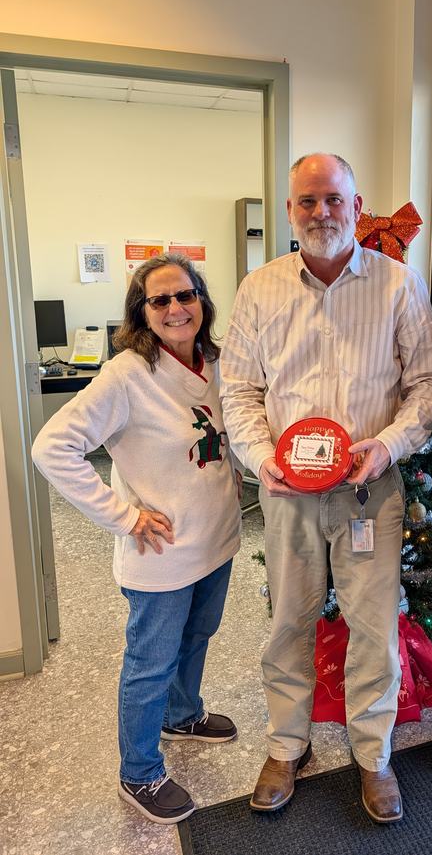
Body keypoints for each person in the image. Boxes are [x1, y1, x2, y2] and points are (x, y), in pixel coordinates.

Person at [220, 153, 432, 823]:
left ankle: (373, 755)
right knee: (289, 622)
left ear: (356, 206)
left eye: (333, 199)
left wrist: (390, 444)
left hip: (368, 494)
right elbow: (239, 389)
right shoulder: (259, 288)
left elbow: (430, 384)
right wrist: (263, 459)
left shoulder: (398, 284)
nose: (321, 212)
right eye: (307, 201)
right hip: (289, 494)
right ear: (291, 210)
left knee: (373, 628)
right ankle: (288, 745)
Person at [32, 254, 242, 825]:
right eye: (161, 300)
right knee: (150, 662)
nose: (176, 308)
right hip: (162, 552)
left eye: (186, 295)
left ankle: (184, 713)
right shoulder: (127, 374)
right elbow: (51, 448)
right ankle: (140, 773)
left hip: (217, 537)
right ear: (141, 313)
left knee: (198, 635)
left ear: (202, 299)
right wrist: (122, 516)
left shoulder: (217, 361)